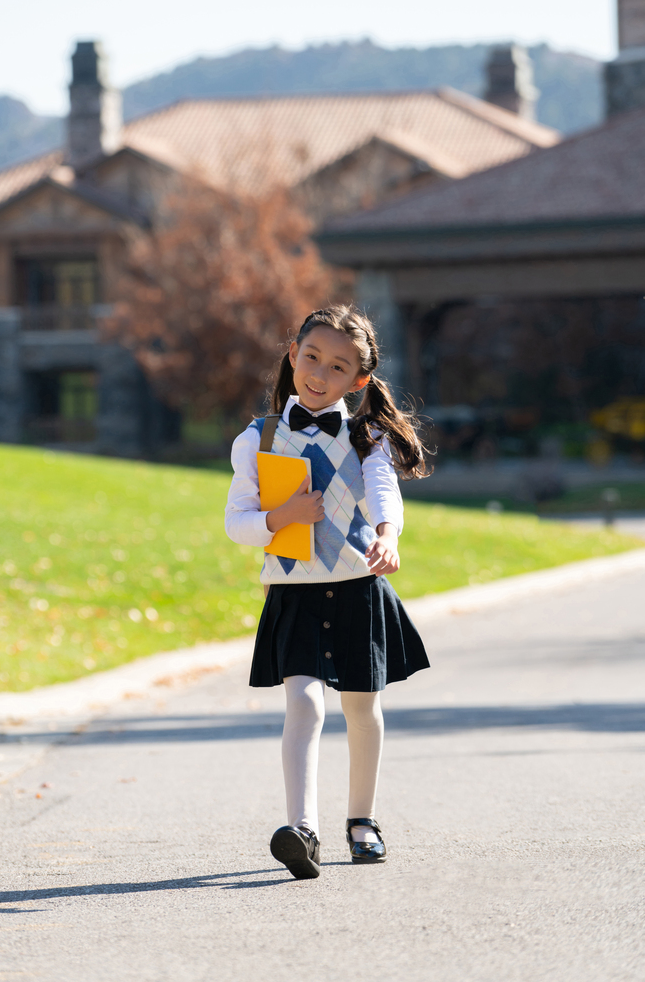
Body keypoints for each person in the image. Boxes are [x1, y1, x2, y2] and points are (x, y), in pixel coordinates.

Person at [224, 305, 432, 879]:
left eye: (338, 367)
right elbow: (236, 523)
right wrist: (281, 515)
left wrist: (389, 535)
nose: (319, 373)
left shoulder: (367, 437)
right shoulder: (257, 439)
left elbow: (385, 493)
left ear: (358, 382)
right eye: (311, 357)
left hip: (358, 588)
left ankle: (362, 820)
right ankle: (303, 829)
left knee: (362, 708)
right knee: (304, 703)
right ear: (292, 356)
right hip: (295, 592)